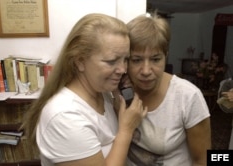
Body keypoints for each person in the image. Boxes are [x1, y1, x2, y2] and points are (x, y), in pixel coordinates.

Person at [21, 13, 147, 166]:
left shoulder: (102, 93)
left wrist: (117, 106)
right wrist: (126, 130)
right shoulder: (65, 116)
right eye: (112, 61)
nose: (123, 69)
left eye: (125, 59)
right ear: (80, 61)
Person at [124, 12, 211, 166]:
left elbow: (204, 159)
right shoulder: (119, 89)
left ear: (166, 56)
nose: (145, 70)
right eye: (136, 60)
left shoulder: (188, 97)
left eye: (155, 59)